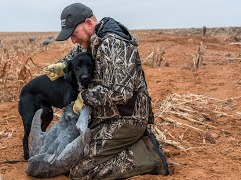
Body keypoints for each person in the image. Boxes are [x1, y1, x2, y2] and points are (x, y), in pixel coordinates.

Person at [43, 3, 169, 179]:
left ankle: (147, 156)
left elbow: (120, 93)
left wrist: (84, 97)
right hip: (105, 115)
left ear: (88, 23)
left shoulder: (113, 44)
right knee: (70, 158)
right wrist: (62, 65)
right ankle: (126, 146)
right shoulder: (92, 41)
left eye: (74, 34)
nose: (73, 40)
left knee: (80, 172)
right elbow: (76, 56)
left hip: (127, 118)